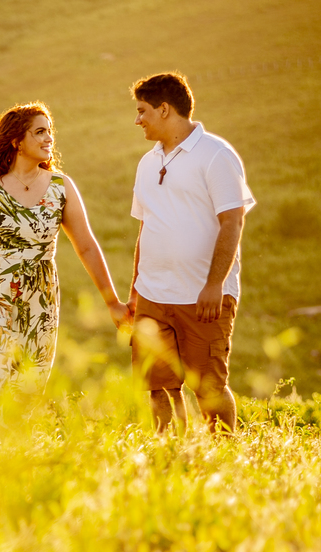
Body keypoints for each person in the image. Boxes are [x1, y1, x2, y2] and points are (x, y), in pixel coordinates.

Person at [0, 102, 130, 413]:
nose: (48, 139)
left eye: (50, 132)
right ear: (17, 140)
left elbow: (87, 246)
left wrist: (112, 302)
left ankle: (7, 456)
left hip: (38, 301)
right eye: (39, 132)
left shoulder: (61, 188)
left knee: (25, 388)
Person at [127, 72, 255, 434]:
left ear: (164, 109)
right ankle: (171, 455)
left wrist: (214, 284)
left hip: (203, 296)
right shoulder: (147, 162)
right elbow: (145, 228)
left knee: (209, 387)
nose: (137, 120)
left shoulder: (216, 155)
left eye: (142, 111)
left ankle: (224, 454)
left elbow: (232, 222)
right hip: (153, 295)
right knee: (157, 388)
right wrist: (136, 289)